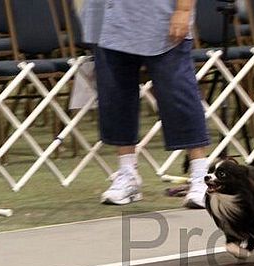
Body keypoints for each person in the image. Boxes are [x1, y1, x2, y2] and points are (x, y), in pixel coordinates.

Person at [80, 0, 210, 208]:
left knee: (178, 94)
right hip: (107, 15)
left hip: (161, 16)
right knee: (115, 97)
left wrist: (183, 10)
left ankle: (200, 175)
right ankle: (127, 173)